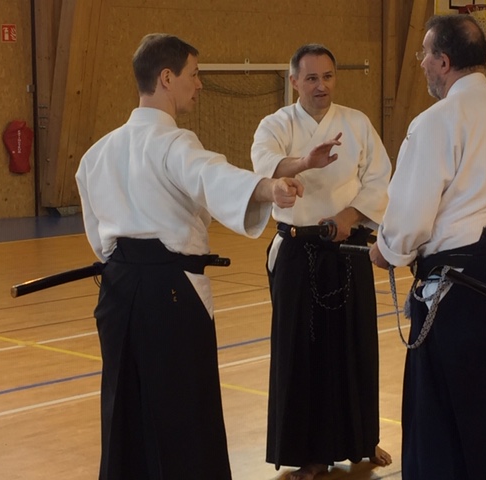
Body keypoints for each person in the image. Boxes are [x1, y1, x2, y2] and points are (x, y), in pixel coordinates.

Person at [75, 33, 317, 480]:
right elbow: (211, 176)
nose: (200, 84)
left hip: (117, 290)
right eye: (194, 74)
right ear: (167, 78)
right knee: (184, 410)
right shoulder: (172, 143)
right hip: (170, 292)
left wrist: (127, 269)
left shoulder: (96, 154)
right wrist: (268, 188)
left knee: (124, 404)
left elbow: (97, 236)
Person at [370, 14, 486, 480]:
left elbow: (410, 215)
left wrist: (386, 250)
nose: (422, 64)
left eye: (425, 55)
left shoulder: (436, 122)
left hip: (459, 288)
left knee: (446, 417)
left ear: (444, 61)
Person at [251, 43, 393, 480]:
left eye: (328, 76)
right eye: (311, 78)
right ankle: (310, 452)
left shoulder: (357, 123)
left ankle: (361, 439)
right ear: (294, 81)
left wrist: (349, 217)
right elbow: (265, 165)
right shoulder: (276, 124)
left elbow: (379, 179)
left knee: (355, 346)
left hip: (347, 248)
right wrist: (303, 163)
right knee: (303, 353)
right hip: (298, 251)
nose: (321, 86)